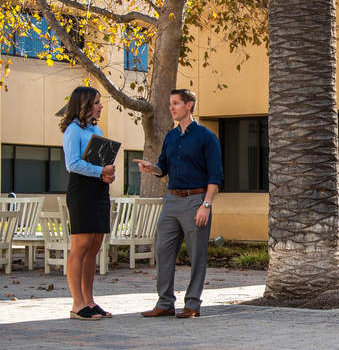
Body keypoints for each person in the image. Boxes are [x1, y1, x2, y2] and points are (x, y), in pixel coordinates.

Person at [134, 89, 222, 319]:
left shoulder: (206, 136)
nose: (171, 107)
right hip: (171, 200)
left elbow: (215, 176)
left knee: (197, 255)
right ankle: (165, 303)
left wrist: (206, 204)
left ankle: (192, 304)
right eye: (170, 103)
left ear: (189, 105)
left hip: (196, 201)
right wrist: (151, 167)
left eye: (175, 103)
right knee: (163, 251)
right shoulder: (171, 137)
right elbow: (163, 167)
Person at [60, 86, 116, 320]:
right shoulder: (72, 130)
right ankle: (77, 304)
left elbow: (100, 162)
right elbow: (72, 164)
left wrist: (107, 174)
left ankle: (89, 301)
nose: (100, 106)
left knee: (94, 246)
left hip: (98, 190)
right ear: (83, 105)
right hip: (81, 191)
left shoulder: (96, 128)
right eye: (96, 102)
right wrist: (99, 170)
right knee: (80, 246)